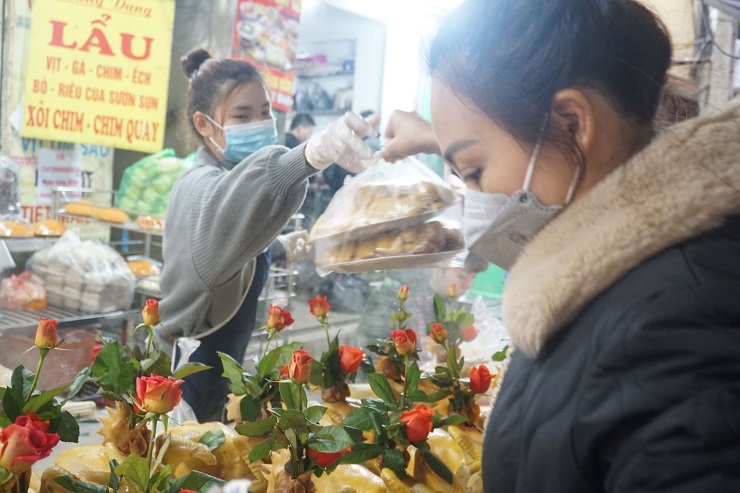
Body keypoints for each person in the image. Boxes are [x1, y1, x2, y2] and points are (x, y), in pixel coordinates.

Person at [382, 0, 740, 491]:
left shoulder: (678, 326)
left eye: (474, 172)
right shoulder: (605, 281)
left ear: (571, 122)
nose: (476, 199)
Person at [157, 48, 374, 422]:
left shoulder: (223, 180)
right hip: (188, 373)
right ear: (204, 124)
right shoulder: (201, 186)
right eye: (242, 115)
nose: (259, 123)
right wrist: (312, 153)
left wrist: (287, 247)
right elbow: (246, 196)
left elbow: (232, 250)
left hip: (219, 363)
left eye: (266, 113)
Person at [355, 254, 488, 352]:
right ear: (437, 269)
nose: (468, 286)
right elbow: (368, 349)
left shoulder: (444, 302)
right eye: (462, 277)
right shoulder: (393, 294)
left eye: (473, 278)